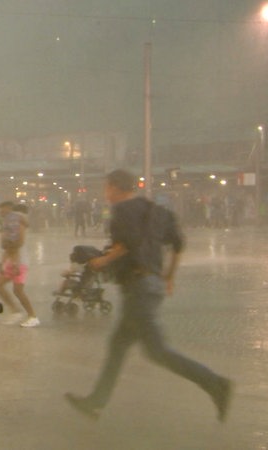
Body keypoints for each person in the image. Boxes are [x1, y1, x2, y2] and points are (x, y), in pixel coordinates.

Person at [65, 169, 232, 422]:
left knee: (158, 351)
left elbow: (127, 243)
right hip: (151, 284)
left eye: (106, 187)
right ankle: (95, 402)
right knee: (117, 346)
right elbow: (178, 244)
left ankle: (216, 383)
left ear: (116, 187)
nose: (105, 192)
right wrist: (168, 277)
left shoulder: (121, 210)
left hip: (138, 288)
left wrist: (102, 261)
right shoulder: (157, 210)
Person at [0, 201, 39, 328]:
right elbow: (7, 246)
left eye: (3, 210)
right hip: (11, 260)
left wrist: (15, 263)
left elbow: (18, 243)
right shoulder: (9, 222)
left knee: (18, 291)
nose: (1, 212)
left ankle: (33, 316)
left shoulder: (17, 222)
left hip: (20, 262)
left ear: (9, 209)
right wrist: (3, 262)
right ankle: (16, 311)